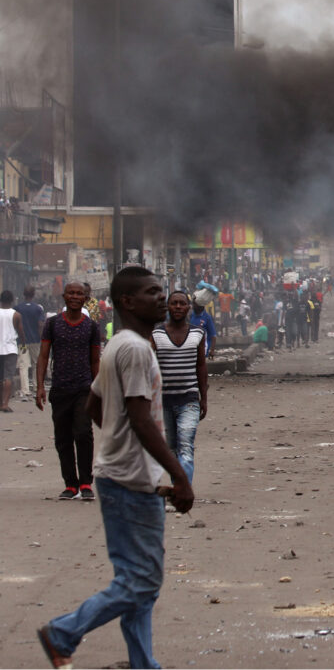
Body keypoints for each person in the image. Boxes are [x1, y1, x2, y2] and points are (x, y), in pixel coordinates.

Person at [37, 266, 194, 670]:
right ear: (127, 302)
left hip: (121, 475)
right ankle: (64, 632)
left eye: (162, 292)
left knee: (138, 582)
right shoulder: (137, 349)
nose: (162, 299)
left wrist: (116, 441)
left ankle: (143, 664)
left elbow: (95, 405)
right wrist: (178, 475)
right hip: (129, 482)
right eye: (152, 292)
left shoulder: (119, 344)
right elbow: (141, 419)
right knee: (142, 581)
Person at [37, 282, 103, 500]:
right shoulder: (52, 324)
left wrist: (99, 390)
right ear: (64, 297)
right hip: (60, 389)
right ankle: (70, 484)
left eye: (79, 294)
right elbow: (44, 356)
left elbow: (95, 361)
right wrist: (39, 387)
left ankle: (85, 483)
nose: (75, 296)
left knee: (83, 433)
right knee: (63, 438)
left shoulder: (92, 327)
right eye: (71, 293)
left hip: (84, 389)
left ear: (85, 298)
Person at [152, 291, 208, 484]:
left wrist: (204, 397)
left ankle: (182, 489)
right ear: (168, 307)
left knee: (186, 445)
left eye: (181, 304)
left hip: (189, 399)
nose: (177, 307)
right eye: (174, 303)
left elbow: (201, 365)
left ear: (188, 308)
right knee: (172, 447)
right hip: (163, 401)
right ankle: (180, 486)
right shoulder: (156, 334)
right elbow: (150, 367)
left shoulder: (197, 333)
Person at [15, 285, 46, 400]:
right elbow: (40, 324)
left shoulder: (17, 308)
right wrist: (41, 337)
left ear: (24, 294)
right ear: (33, 295)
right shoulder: (38, 309)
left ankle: (25, 390)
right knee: (36, 364)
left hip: (22, 341)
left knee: (23, 365)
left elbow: (15, 324)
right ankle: (37, 387)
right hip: (35, 341)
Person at [0, 290, 25, 413]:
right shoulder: (16, 315)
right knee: (8, 377)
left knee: (1, 378)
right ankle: (4, 404)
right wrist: (24, 344)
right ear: (12, 300)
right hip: (10, 349)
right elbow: (20, 332)